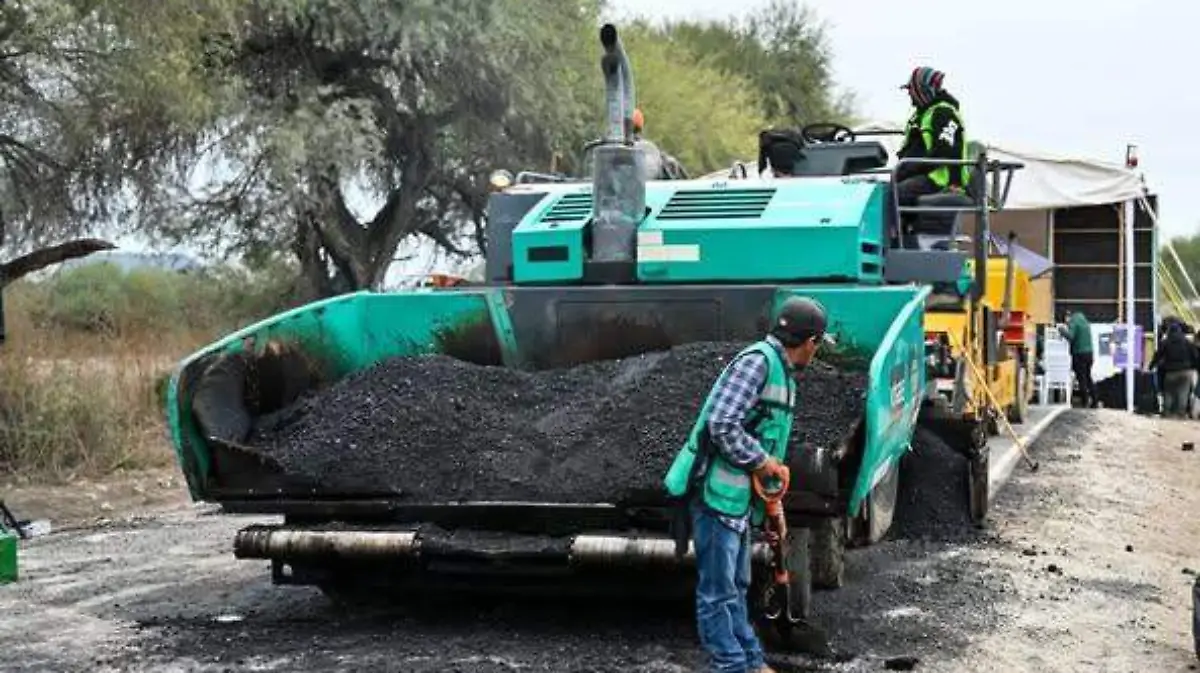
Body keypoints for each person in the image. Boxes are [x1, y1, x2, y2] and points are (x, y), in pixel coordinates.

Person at [663, 296, 833, 673]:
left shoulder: (783, 374)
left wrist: (774, 508)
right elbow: (721, 424)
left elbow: (765, 445)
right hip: (715, 496)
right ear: (810, 342)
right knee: (718, 593)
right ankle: (732, 667)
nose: (816, 352)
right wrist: (762, 462)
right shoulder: (758, 363)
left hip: (736, 501)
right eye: (818, 345)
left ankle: (751, 663)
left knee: (736, 587)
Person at [893, 67, 972, 247]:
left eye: (912, 91)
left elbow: (944, 151)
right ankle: (903, 237)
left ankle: (895, 242)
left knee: (892, 195)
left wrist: (909, 169)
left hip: (941, 178)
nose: (910, 96)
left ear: (923, 89)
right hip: (926, 176)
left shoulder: (944, 113)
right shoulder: (923, 113)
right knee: (884, 190)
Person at [1150, 322, 1200, 418]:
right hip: (1186, 372)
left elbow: (1157, 356)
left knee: (1168, 393)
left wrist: (1151, 366)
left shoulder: (1165, 342)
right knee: (1183, 394)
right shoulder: (1187, 343)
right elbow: (1195, 356)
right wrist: (1196, 367)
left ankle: (1167, 413)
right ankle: (1180, 414)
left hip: (1170, 372)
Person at [1058, 310, 1098, 408]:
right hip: (1089, 353)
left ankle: (1084, 402)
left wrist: (1062, 331)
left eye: (1065, 321)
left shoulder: (1073, 321)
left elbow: (1071, 336)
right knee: (1088, 377)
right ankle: (1095, 400)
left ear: (1067, 317)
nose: (1066, 323)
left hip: (1079, 354)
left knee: (1081, 378)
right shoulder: (1084, 321)